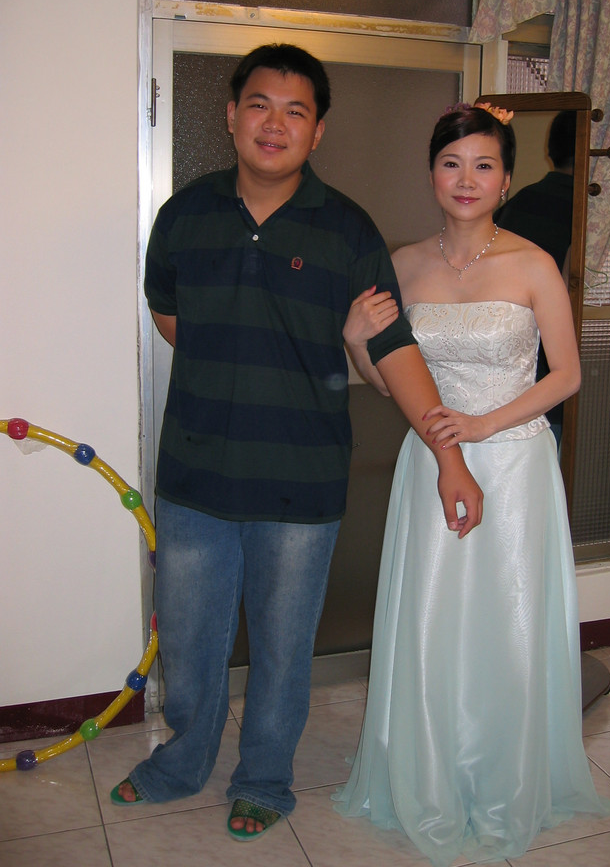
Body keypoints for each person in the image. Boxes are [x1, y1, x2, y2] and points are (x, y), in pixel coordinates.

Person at [110, 44, 483, 843]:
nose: (274, 124)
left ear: (317, 131)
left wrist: (449, 455)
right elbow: (171, 318)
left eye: (295, 111)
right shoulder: (184, 215)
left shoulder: (347, 229)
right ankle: (182, 762)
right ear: (231, 115)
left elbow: (393, 348)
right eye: (259, 105)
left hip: (301, 480)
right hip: (195, 474)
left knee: (283, 646)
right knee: (189, 639)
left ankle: (264, 779)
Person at [334, 103, 610, 865]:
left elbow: (567, 375)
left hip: (515, 463)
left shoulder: (533, 264)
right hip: (430, 462)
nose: (467, 179)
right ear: (432, 173)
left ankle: (502, 777)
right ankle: (430, 769)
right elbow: (392, 383)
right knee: (432, 620)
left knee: (507, 622)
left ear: (507, 180)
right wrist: (358, 344)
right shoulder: (402, 265)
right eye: (452, 163)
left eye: (484, 165)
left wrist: (484, 426)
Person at [494, 109, 577, 446]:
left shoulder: (520, 203)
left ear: (551, 149)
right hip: (542, 376)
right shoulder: (582, 209)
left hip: (512, 370)